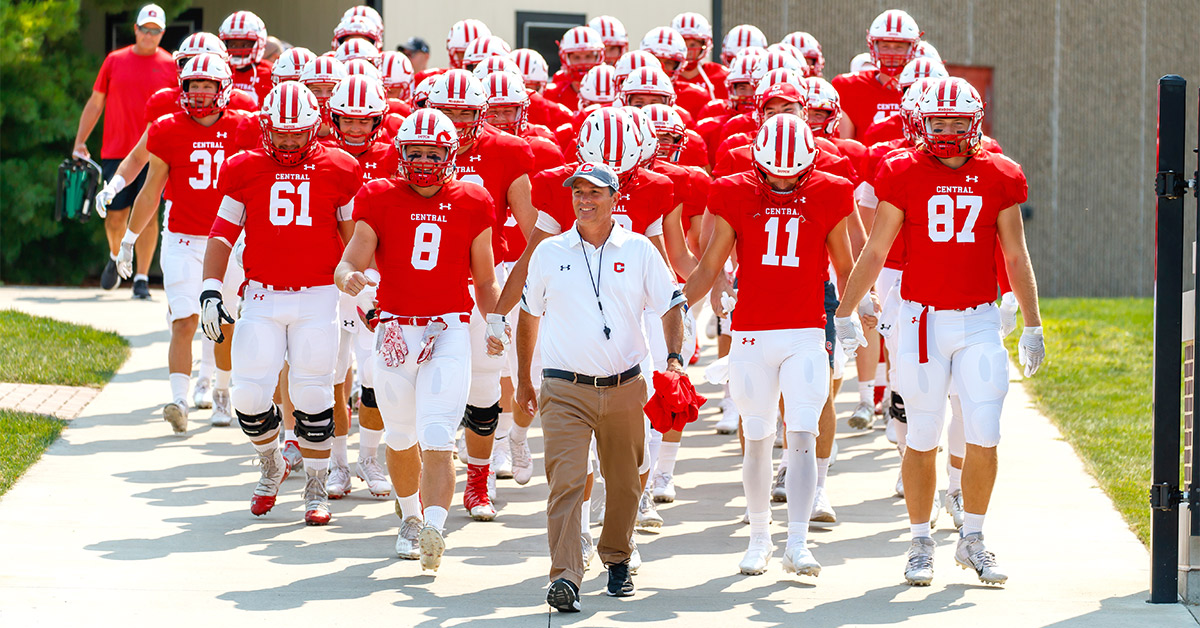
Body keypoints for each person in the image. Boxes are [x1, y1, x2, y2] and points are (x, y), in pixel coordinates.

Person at [833, 77, 1045, 587]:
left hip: (977, 321)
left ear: (975, 123)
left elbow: (1015, 255)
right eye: (938, 122)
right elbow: (876, 249)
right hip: (922, 320)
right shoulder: (903, 170)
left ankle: (972, 538)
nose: (948, 131)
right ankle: (920, 542)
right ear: (921, 125)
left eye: (956, 122)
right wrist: (846, 309)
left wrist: (1033, 323)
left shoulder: (999, 173)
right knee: (922, 436)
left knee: (986, 432)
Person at [686, 113, 857, 579]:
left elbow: (845, 264)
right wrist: (683, 307)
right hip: (751, 332)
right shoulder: (732, 188)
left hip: (804, 330)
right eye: (773, 172)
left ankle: (797, 542)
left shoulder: (830, 189)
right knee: (757, 438)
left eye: (793, 172)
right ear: (757, 161)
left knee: (801, 436)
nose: (782, 181)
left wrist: (852, 314)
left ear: (810, 163)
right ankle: (759, 537)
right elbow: (709, 264)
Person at [336, 107, 505, 571]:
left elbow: (485, 279)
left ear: (451, 154)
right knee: (402, 434)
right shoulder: (378, 195)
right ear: (401, 151)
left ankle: (433, 525)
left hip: (448, 327)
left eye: (434, 153)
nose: (425, 162)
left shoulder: (473, 199)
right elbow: (349, 260)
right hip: (394, 328)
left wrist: (494, 320)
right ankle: (409, 517)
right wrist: (349, 278)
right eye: (416, 151)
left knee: (436, 434)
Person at [514, 161, 687, 613]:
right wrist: (523, 381)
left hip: (625, 384)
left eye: (595, 193)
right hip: (563, 387)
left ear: (615, 199)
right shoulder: (550, 252)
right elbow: (528, 316)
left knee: (626, 484)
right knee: (567, 482)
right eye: (578, 192)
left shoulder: (641, 250)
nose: (584, 200)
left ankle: (617, 558)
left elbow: (671, 305)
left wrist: (673, 359)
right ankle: (567, 576)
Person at [200, 81, 363, 526]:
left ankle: (315, 480)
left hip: (317, 296)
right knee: (249, 395)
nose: (289, 141)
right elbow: (221, 233)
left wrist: (363, 290)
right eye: (281, 133)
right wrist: (211, 287)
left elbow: (354, 239)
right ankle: (271, 461)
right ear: (266, 127)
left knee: (312, 392)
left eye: (298, 133)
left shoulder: (340, 167)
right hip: (262, 293)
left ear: (314, 128)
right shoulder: (244, 167)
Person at [115, 53, 259, 433]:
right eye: (192, 85)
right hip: (181, 238)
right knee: (184, 319)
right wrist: (129, 238)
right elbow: (150, 192)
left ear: (223, 88)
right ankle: (179, 400)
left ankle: (222, 391)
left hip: (226, 240)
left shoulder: (244, 127)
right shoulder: (168, 127)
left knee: (223, 321)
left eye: (206, 85)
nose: (198, 93)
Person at [73, 3, 176, 298]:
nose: (149, 35)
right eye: (145, 29)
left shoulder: (171, 65)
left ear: (162, 33)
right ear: (136, 29)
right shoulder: (114, 61)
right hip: (116, 149)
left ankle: (141, 278)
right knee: (115, 215)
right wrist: (80, 141)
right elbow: (95, 102)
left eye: (156, 31)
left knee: (149, 214)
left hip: (156, 150)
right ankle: (115, 256)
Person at [831, 10, 921, 141]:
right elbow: (846, 147)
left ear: (912, 48)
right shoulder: (849, 87)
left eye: (899, 47)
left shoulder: (923, 89)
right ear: (873, 46)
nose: (891, 53)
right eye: (885, 46)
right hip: (867, 160)